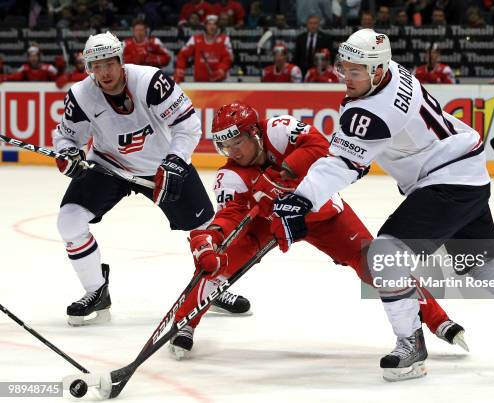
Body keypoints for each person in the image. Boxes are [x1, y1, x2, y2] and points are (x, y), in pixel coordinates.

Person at [270, 28, 494, 381]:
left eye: (355, 71)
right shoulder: (391, 70)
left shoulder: (373, 109)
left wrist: (301, 200)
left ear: (378, 71)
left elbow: (344, 163)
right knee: (484, 269)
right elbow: (360, 154)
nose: (346, 78)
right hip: (467, 172)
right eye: (344, 68)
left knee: (383, 255)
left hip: (448, 182)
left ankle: (410, 345)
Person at [168, 101, 468, 359]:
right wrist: (212, 236)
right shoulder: (230, 174)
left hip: (320, 213)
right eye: (225, 146)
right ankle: (185, 322)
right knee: (218, 263)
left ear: (255, 132)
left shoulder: (279, 129)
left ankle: (437, 319)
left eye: (238, 142)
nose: (233, 152)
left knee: (373, 262)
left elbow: (321, 146)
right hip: (267, 223)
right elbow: (231, 213)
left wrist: (281, 175)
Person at [51, 31, 249, 326]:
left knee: (206, 228)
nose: (104, 72)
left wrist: (175, 161)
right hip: (109, 165)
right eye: (96, 66)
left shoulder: (150, 81)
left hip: (161, 165)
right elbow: (66, 136)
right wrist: (67, 153)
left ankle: (214, 286)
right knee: (69, 220)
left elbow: (188, 124)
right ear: (89, 68)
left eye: (109, 63)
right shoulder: (81, 95)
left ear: (120, 60)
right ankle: (96, 290)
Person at [175, 14, 233, 83]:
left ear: (218, 26)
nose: (212, 27)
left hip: (221, 82)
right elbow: (182, 55)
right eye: (209, 24)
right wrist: (180, 69)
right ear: (205, 26)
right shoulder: (195, 39)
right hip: (200, 83)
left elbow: (228, 58)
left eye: (214, 24)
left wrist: (221, 70)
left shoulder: (225, 39)